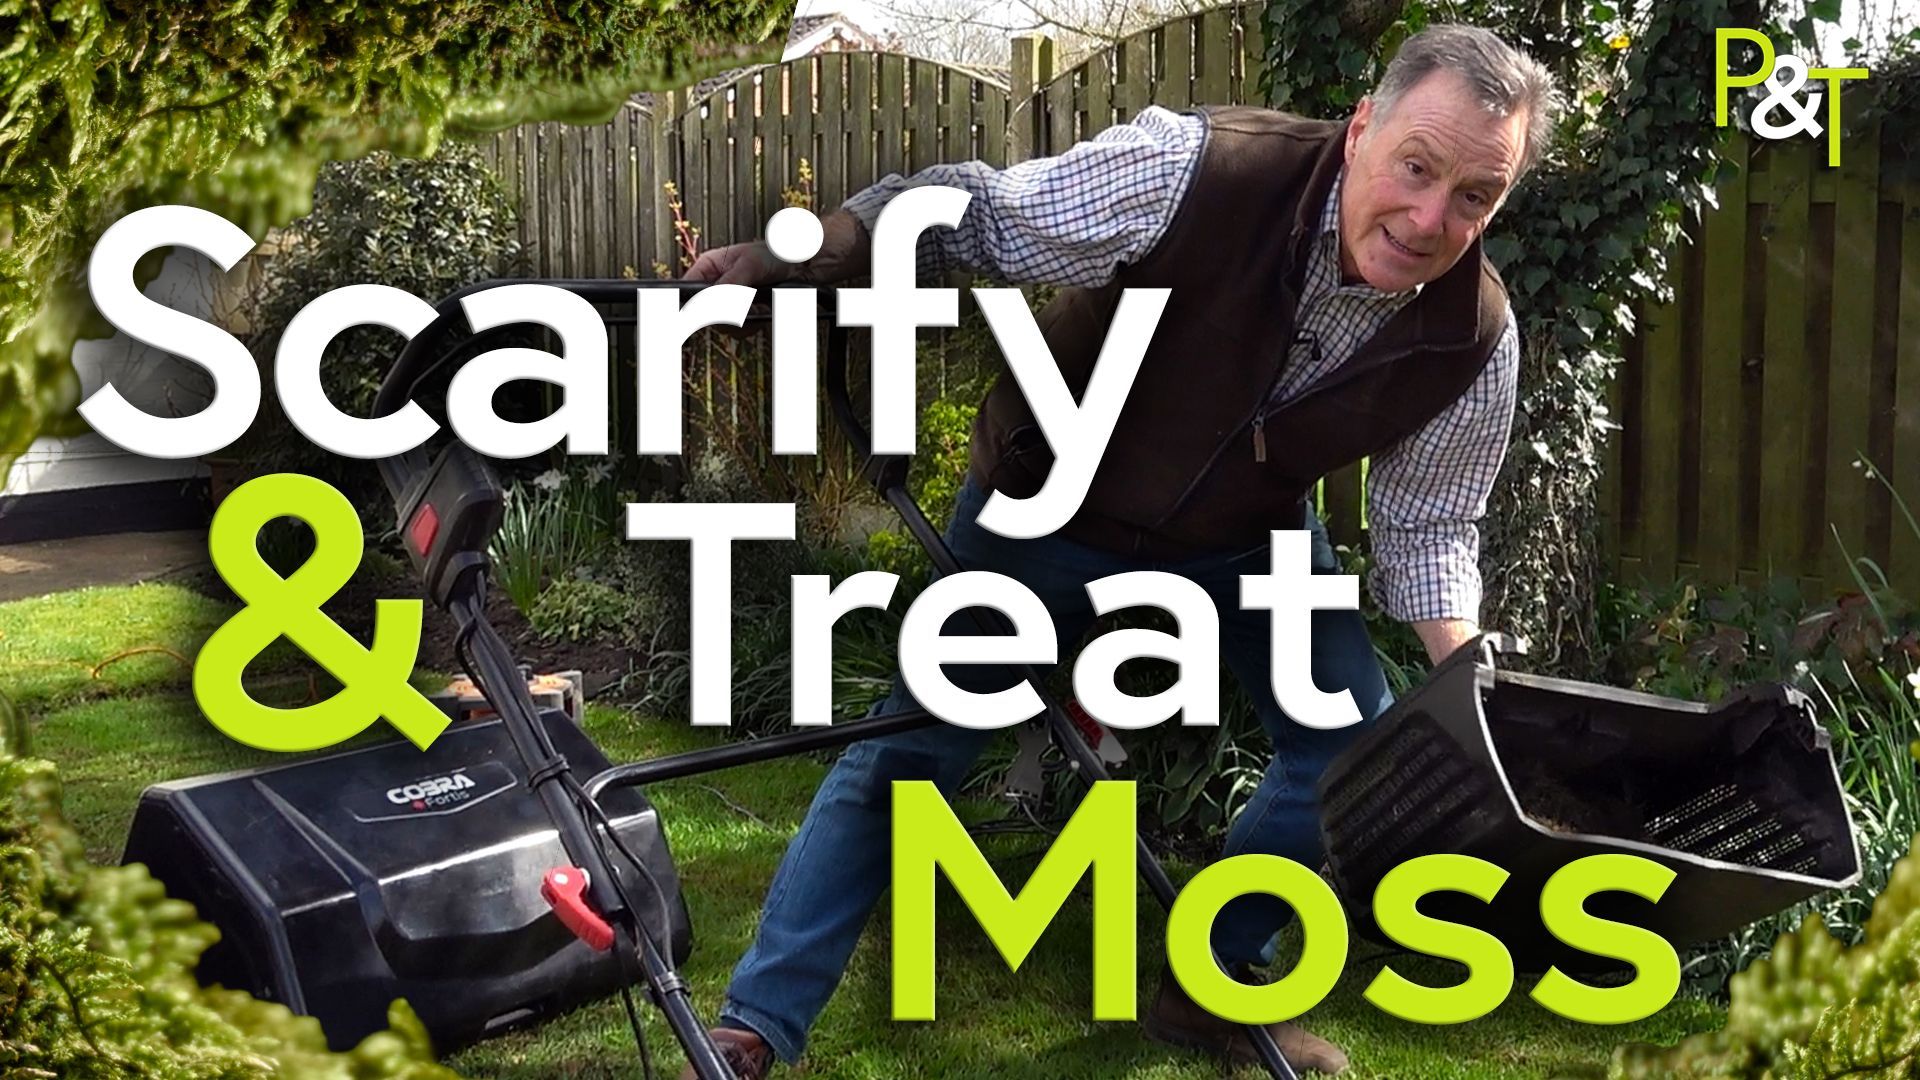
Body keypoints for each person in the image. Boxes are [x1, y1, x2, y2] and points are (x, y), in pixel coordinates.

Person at [680, 23, 1559, 1079]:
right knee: (916, 752)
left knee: (1355, 753)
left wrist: (1466, 679)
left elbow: (1427, 528)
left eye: (1474, 196)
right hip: (1046, 505)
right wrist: (800, 256)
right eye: (1417, 168)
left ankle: (1215, 989)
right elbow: (977, 217)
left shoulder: (1473, 334)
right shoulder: (1198, 169)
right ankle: (756, 1027)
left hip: (1247, 535)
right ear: (1363, 127)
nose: (1430, 220)